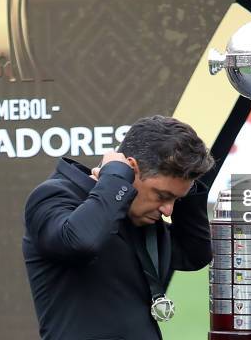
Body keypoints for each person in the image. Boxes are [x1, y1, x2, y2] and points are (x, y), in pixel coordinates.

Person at [23, 115, 215, 340]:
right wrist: (115, 177)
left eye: (176, 200)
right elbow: (79, 242)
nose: (168, 211)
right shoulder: (54, 195)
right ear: (130, 168)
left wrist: (186, 192)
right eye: (162, 195)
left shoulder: (142, 219)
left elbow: (195, 254)